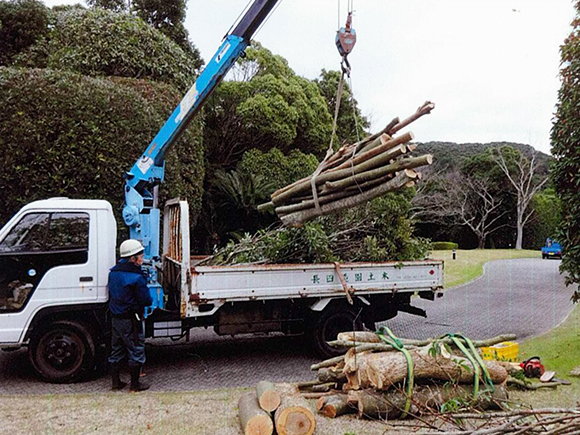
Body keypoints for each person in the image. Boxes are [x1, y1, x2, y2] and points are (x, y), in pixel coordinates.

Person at [108, 239, 153, 392]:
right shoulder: (136, 277)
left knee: (116, 349)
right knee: (136, 349)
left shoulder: (113, 273)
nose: (142, 258)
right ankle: (135, 385)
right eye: (140, 255)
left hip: (116, 318)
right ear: (133, 258)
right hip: (131, 319)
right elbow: (146, 300)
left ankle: (116, 383)